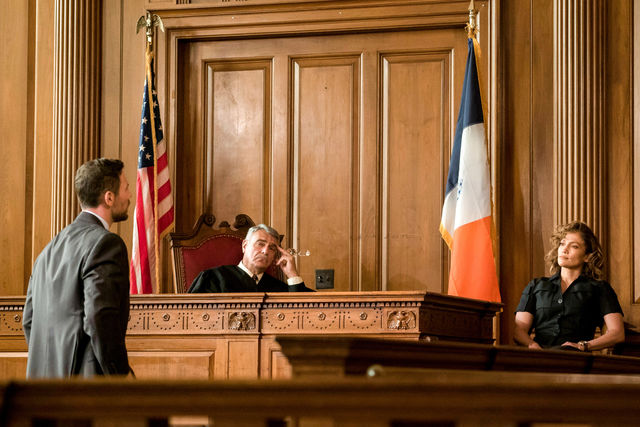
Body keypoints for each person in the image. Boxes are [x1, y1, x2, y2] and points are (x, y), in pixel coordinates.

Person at [23, 158, 133, 378]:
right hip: (85, 388)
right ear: (109, 198)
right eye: (126, 188)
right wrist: (120, 376)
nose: (130, 196)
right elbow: (99, 318)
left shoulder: (47, 251)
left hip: (42, 387)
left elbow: (29, 321)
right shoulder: (107, 244)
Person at [514, 221, 624, 352]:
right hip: (540, 357)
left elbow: (617, 333)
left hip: (576, 359)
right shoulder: (536, 285)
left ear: (587, 256)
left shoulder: (600, 288)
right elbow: (519, 331)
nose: (564, 249)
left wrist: (583, 346)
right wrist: (532, 346)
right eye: (562, 244)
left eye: (574, 246)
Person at [188, 224, 314, 293]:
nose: (265, 251)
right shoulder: (213, 278)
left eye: (272, 248)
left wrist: (292, 275)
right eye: (260, 244)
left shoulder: (279, 288)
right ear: (245, 246)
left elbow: (305, 312)